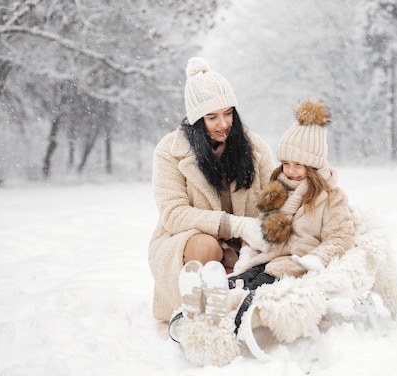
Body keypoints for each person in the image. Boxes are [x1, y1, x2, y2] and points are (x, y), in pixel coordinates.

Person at [148, 57, 274, 323]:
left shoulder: (256, 148)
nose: (223, 124)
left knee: (239, 280)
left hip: (245, 250)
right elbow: (174, 214)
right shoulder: (170, 151)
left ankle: (228, 305)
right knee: (207, 248)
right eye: (212, 117)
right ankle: (193, 314)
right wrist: (236, 226)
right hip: (190, 246)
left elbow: (274, 202)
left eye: (228, 113)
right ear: (196, 120)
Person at [228, 98, 356, 291]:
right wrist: (247, 254)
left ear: (313, 166)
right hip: (269, 257)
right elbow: (261, 230)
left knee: (259, 286)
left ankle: (245, 305)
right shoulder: (278, 191)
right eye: (286, 163)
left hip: (299, 262)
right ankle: (216, 298)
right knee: (240, 280)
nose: (290, 171)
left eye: (298, 165)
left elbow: (341, 236)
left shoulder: (331, 197)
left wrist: (317, 259)